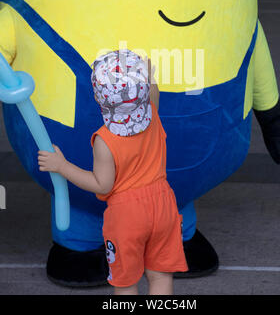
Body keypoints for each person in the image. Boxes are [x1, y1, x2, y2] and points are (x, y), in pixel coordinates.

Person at [38, 50, 188, 295]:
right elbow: (153, 91)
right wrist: (147, 75)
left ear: (99, 98)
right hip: (163, 205)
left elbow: (102, 184)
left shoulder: (105, 141)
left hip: (127, 216)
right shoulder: (152, 114)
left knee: (125, 282)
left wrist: (61, 166)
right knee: (160, 276)